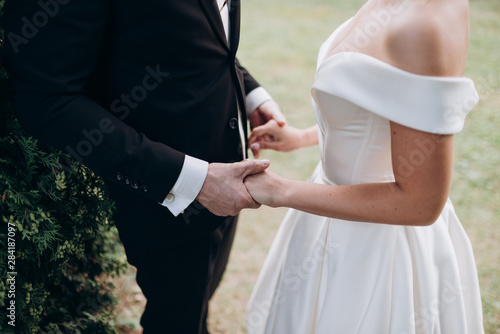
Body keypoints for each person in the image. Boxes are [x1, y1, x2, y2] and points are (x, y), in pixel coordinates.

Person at [4, 0, 285, 332]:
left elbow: (198, 29)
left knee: (198, 305)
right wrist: (191, 181)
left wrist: (251, 94)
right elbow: (46, 98)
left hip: (226, 171)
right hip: (162, 195)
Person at [244, 0, 485, 332]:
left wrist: (279, 190)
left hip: (378, 248)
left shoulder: (423, 25)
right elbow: (389, 111)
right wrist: (301, 137)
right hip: (328, 216)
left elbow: (420, 204)